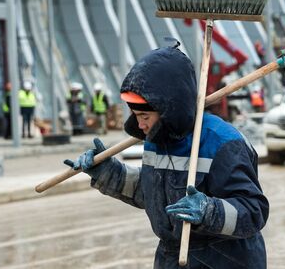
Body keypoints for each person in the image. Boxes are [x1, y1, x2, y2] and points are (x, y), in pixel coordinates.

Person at [65, 45, 269, 268]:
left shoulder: (222, 143)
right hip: (172, 258)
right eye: (135, 115)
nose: (140, 125)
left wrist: (210, 211)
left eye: (144, 116)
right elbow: (152, 192)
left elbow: (253, 211)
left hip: (224, 260)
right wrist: (108, 173)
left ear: (169, 110)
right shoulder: (157, 138)